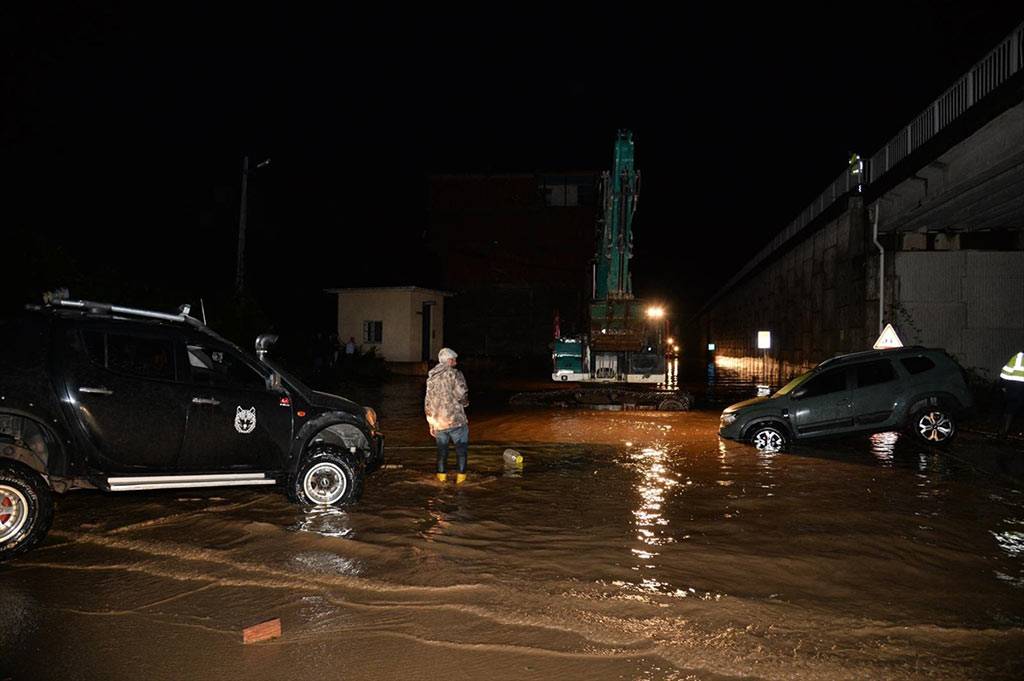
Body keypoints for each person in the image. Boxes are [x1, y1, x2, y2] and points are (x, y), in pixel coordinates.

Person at [424, 347, 469, 484]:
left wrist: (431, 423)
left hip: (439, 423)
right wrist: (465, 403)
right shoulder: (455, 374)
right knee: (461, 452)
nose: (455, 363)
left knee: (442, 453)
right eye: (454, 360)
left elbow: (427, 403)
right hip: (456, 421)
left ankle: (441, 482)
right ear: (449, 361)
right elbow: (462, 393)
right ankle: (461, 482)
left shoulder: (431, 378)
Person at [1000, 350, 1024, 437]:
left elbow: (1005, 372)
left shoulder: (1017, 357)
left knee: (1010, 409)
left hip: (1013, 387)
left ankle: (1004, 431)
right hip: (1019, 387)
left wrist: (1003, 385)